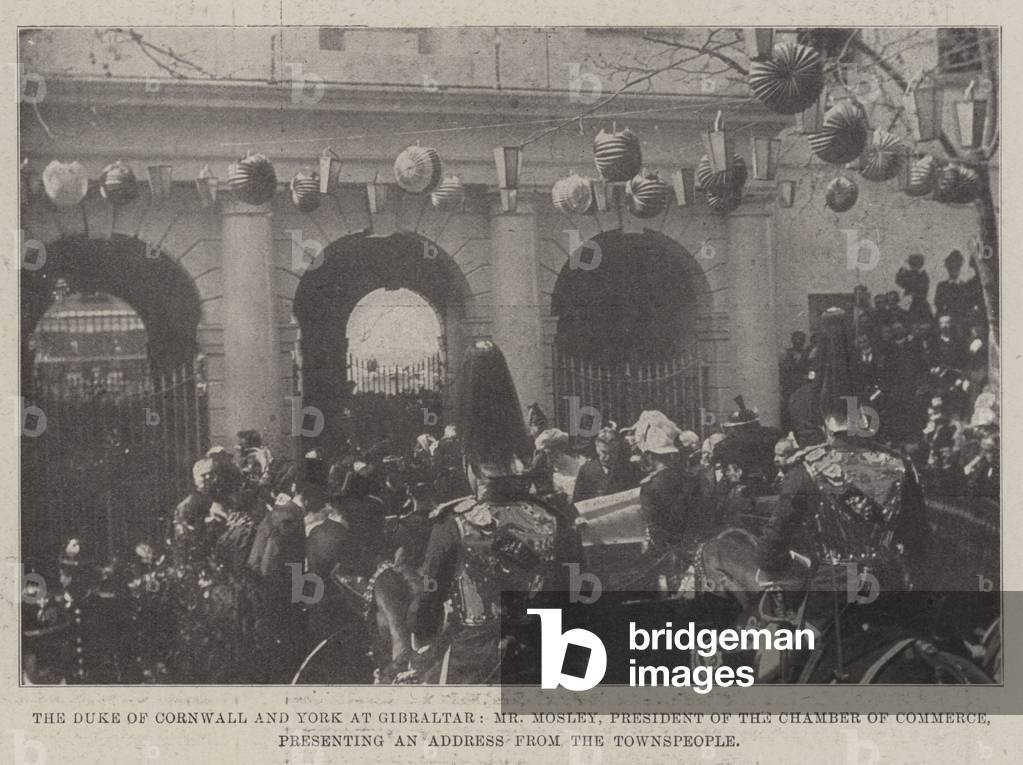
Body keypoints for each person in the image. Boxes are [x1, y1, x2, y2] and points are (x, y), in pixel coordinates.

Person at [413, 341, 567, 684]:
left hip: (476, 664)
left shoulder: (453, 525)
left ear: (470, 467)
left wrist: (422, 639)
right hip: (545, 660)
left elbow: (427, 606)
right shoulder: (555, 520)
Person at [759, 307, 930, 591]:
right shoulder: (900, 465)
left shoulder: (806, 470)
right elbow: (919, 542)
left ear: (824, 423)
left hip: (833, 594)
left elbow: (769, 551)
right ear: (867, 419)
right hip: (890, 587)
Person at [573, 427, 640, 504]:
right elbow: (577, 502)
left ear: (618, 449)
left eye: (612, 452)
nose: (607, 458)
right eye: (603, 452)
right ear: (596, 447)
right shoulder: (586, 470)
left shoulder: (628, 469)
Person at [895, 253, 933, 324]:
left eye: (915, 264)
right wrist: (901, 273)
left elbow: (922, 292)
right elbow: (899, 282)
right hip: (909, 304)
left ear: (920, 265)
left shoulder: (923, 276)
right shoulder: (910, 274)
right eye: (912, 264)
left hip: (919, 304)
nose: (913, 266)